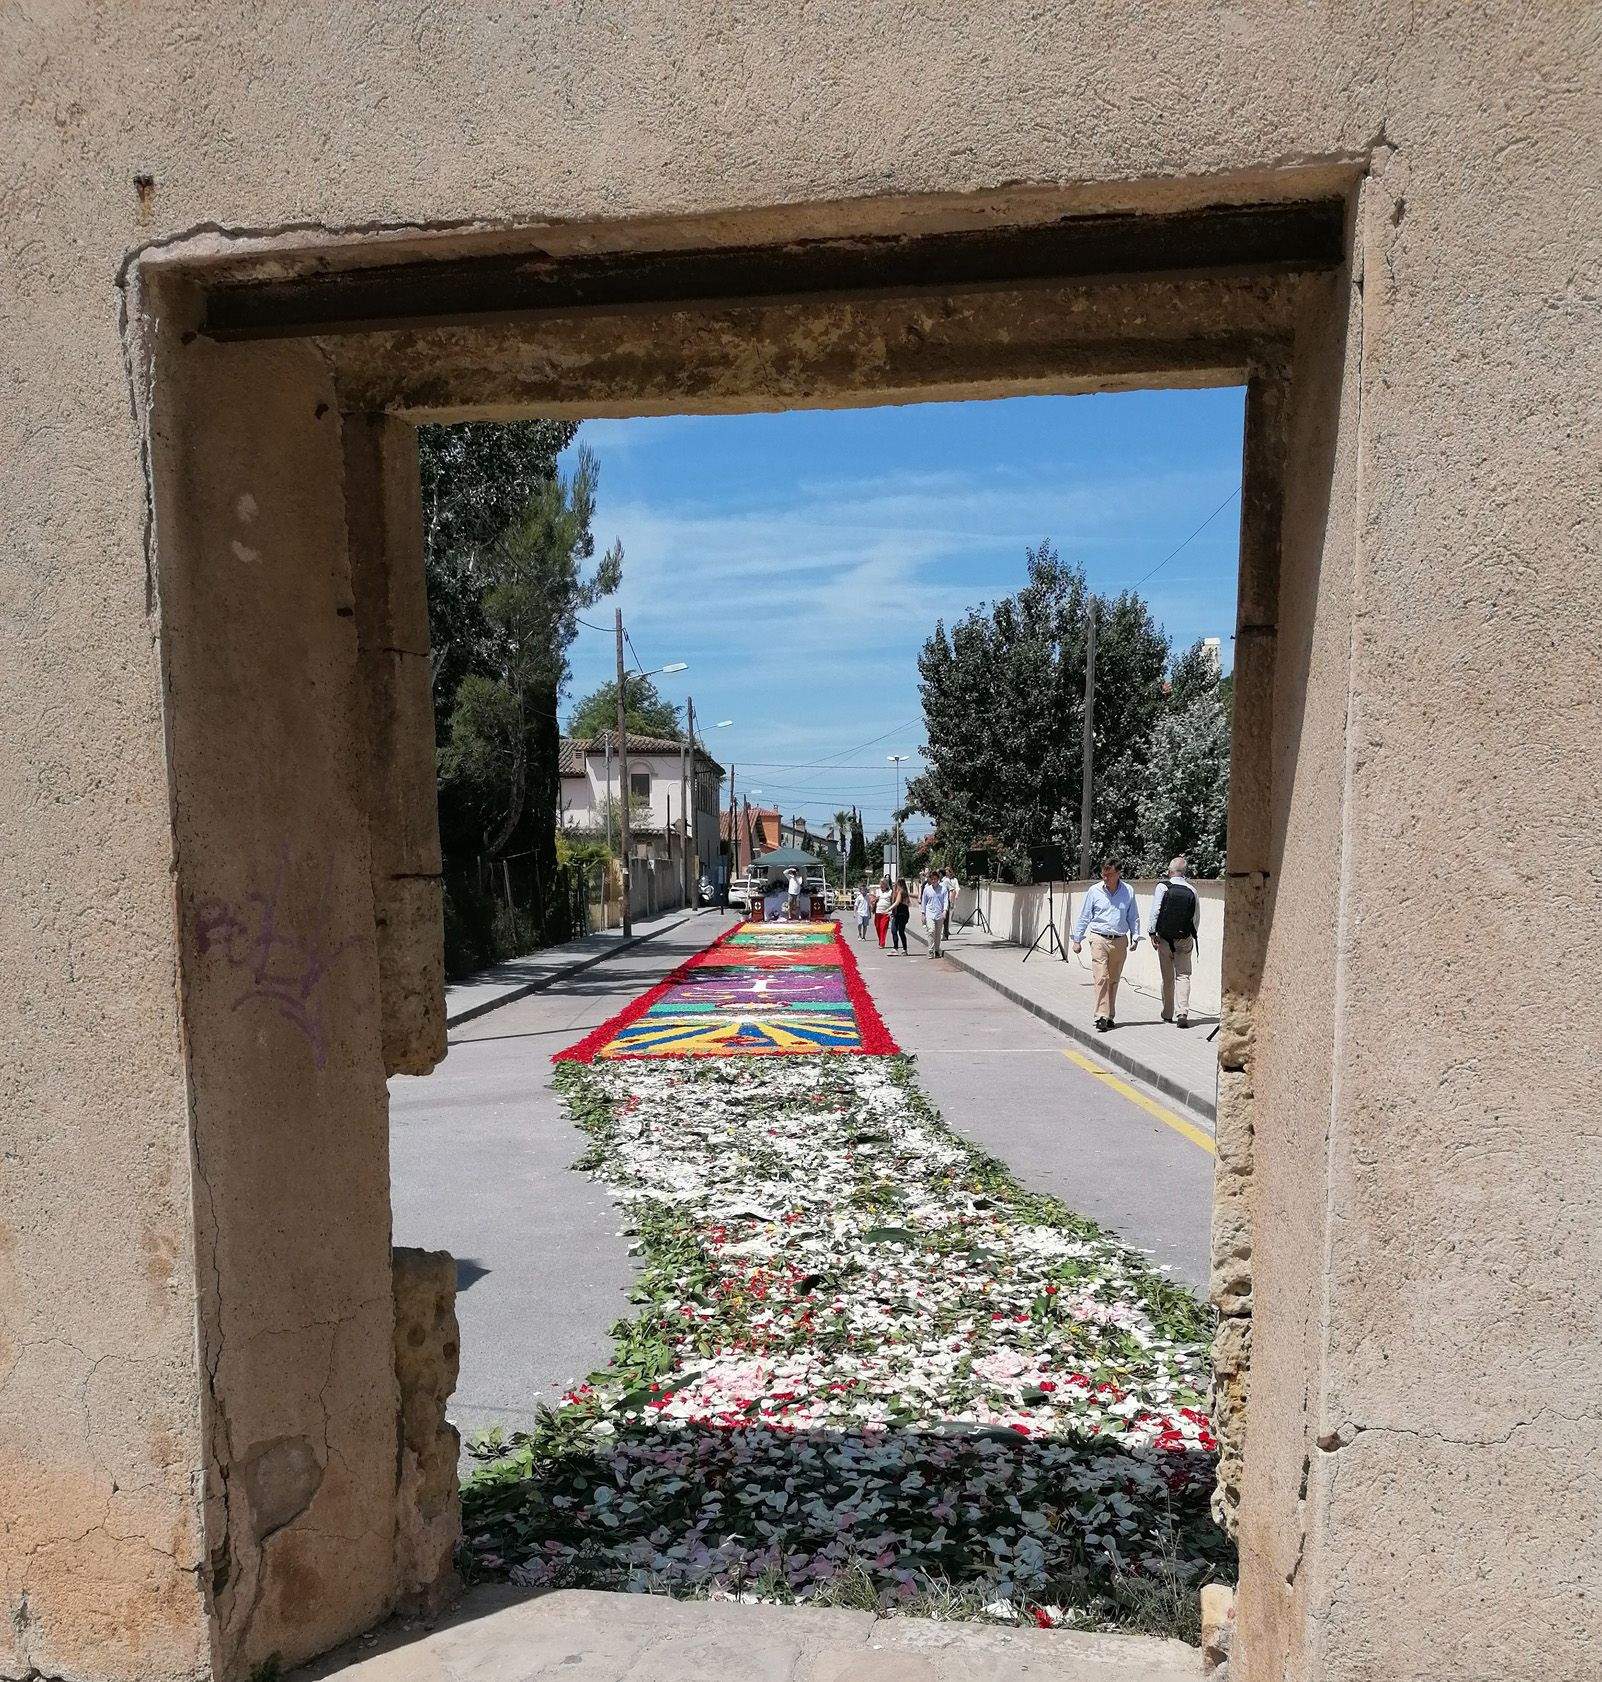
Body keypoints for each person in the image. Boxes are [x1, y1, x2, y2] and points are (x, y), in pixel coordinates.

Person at [1071, 857, 1141, 1031]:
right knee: (1101, 977)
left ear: (1118, 874)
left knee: (1113, 980)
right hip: (1099, 938)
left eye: (1109, 875)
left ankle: (1109, 1015)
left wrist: (1135, 937)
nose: (1105, 878)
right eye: (1103, 874)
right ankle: (1101, 1015)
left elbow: (1133, 916)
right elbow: (1084, 916)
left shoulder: (1128, 891)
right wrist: (1077, 939)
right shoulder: (1094, 891)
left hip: (1119, 940)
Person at [1150, 853, 1199, 1028]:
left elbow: (1155, 911)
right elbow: (1196, 917)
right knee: (1183, 975)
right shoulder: (1192, 890)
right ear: (1184, 872)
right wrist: (1190, 935)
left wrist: (1152, 933)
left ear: (1170, 871)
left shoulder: (1163, 887)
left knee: (1168, 977)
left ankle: (1167, 1013)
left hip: (1164, 938)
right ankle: (1183, 1012)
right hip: (1184, 939)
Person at [920, 869, 949, 957]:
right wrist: (923, 913)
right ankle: (930, 950)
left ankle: (936, 950)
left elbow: (945, 901)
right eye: (932, 879)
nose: (933, 881)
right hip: (929, 913)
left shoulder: (943, 889)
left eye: (935, 879)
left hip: (939, 913)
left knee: (938, 933)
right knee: (931, 930)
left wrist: (945, 911)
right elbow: (924, 902)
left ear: (938, 879)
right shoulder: (927, 889)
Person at [889, 878, 912, 953]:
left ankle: (904, 949)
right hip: (896, 914)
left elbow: (897, 903)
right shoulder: (896, 892)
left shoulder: (901, 892)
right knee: (893, 930)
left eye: (896, 884)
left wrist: (888, 909)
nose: (895, 885)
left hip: (902, 914)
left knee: (901, 931)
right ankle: (895, 948)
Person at [873, 878, 893, 948]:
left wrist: (891, 912)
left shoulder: (890, 892)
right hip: (877, 912)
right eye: (881, 884)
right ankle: (880, 940)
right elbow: (872, 901)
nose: (881, 886)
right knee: (877, 927)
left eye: (883, 884)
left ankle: (882, 943)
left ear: (886, 885)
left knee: (883, 928)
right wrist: (875, 899)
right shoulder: (877, 891)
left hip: (886, 913)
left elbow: (892, 902)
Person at [941, 863, 959, 938]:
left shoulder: (953, 880)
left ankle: (946, 931)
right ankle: (945, 931)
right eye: (946, 872)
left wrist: (955, 897)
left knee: (948, 916)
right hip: (943, 900)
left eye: (948, 872)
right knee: (945, 916)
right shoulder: (943, 880)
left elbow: (955, 889)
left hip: (950, 899)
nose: (947, 873)